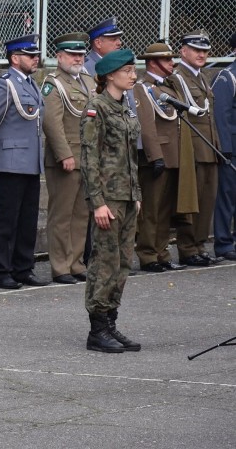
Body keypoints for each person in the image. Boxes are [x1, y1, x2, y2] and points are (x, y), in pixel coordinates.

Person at [80, 49, 142, 353]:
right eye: (128, 70)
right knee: (104, 262)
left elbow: (131, 156)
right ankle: (97, 329)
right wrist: (98, 202)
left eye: (133, 70)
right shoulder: (97, 108)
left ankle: (111, 323)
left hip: (127, 197)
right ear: (110, 75)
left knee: (122, 262)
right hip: (108, 198)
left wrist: (137, 195)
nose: (133, 75)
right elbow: (89, 158)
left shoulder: (125, 107)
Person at [0, 34, 48, 289]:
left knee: (28, 220)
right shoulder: (4, 84)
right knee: (6, 220)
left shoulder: (31, 84)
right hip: (9, 162)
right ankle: (1, 271)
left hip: (30, 162)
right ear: (15, 58)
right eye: (30, 56)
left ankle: (23, 268)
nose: (36, 59)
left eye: (36, 55)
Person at [41, 32, 96, 284]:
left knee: (82, 214)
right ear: (59, 56)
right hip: (66, 159)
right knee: (62, 215)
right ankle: (61, 266)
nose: (77, 58)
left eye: (81, 54)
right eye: (72, 54)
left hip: (86, 157)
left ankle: (76, 263)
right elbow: (52, 123)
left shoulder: (88, 80)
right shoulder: (53, 83)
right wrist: (64, 154)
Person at [133, 42, 190, 272]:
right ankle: (148, 255)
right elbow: (146, 125)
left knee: (165, 209)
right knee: (151, 210)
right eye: (167, 60)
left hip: (172, 154)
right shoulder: (142, 87)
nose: (172, 64)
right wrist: (155, 156)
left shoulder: (167, 86)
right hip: (156, 156)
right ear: (153, 63)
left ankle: (162, 252)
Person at [172, 30, 221, 267]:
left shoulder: (201, 76)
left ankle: (200, 245)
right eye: (197, 50)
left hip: (209, 146)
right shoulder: (178, 77)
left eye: (205, 51)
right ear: (183, 51)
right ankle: (188, 248)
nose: (202, 55)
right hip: (193, 146)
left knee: (207, 199)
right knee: (192, 202)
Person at [211, 32, 236, 262]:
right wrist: (225, 149)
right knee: (227, 195)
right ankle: (223, 242)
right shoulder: (227, 77)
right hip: (232, 148)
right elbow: (221, 114)